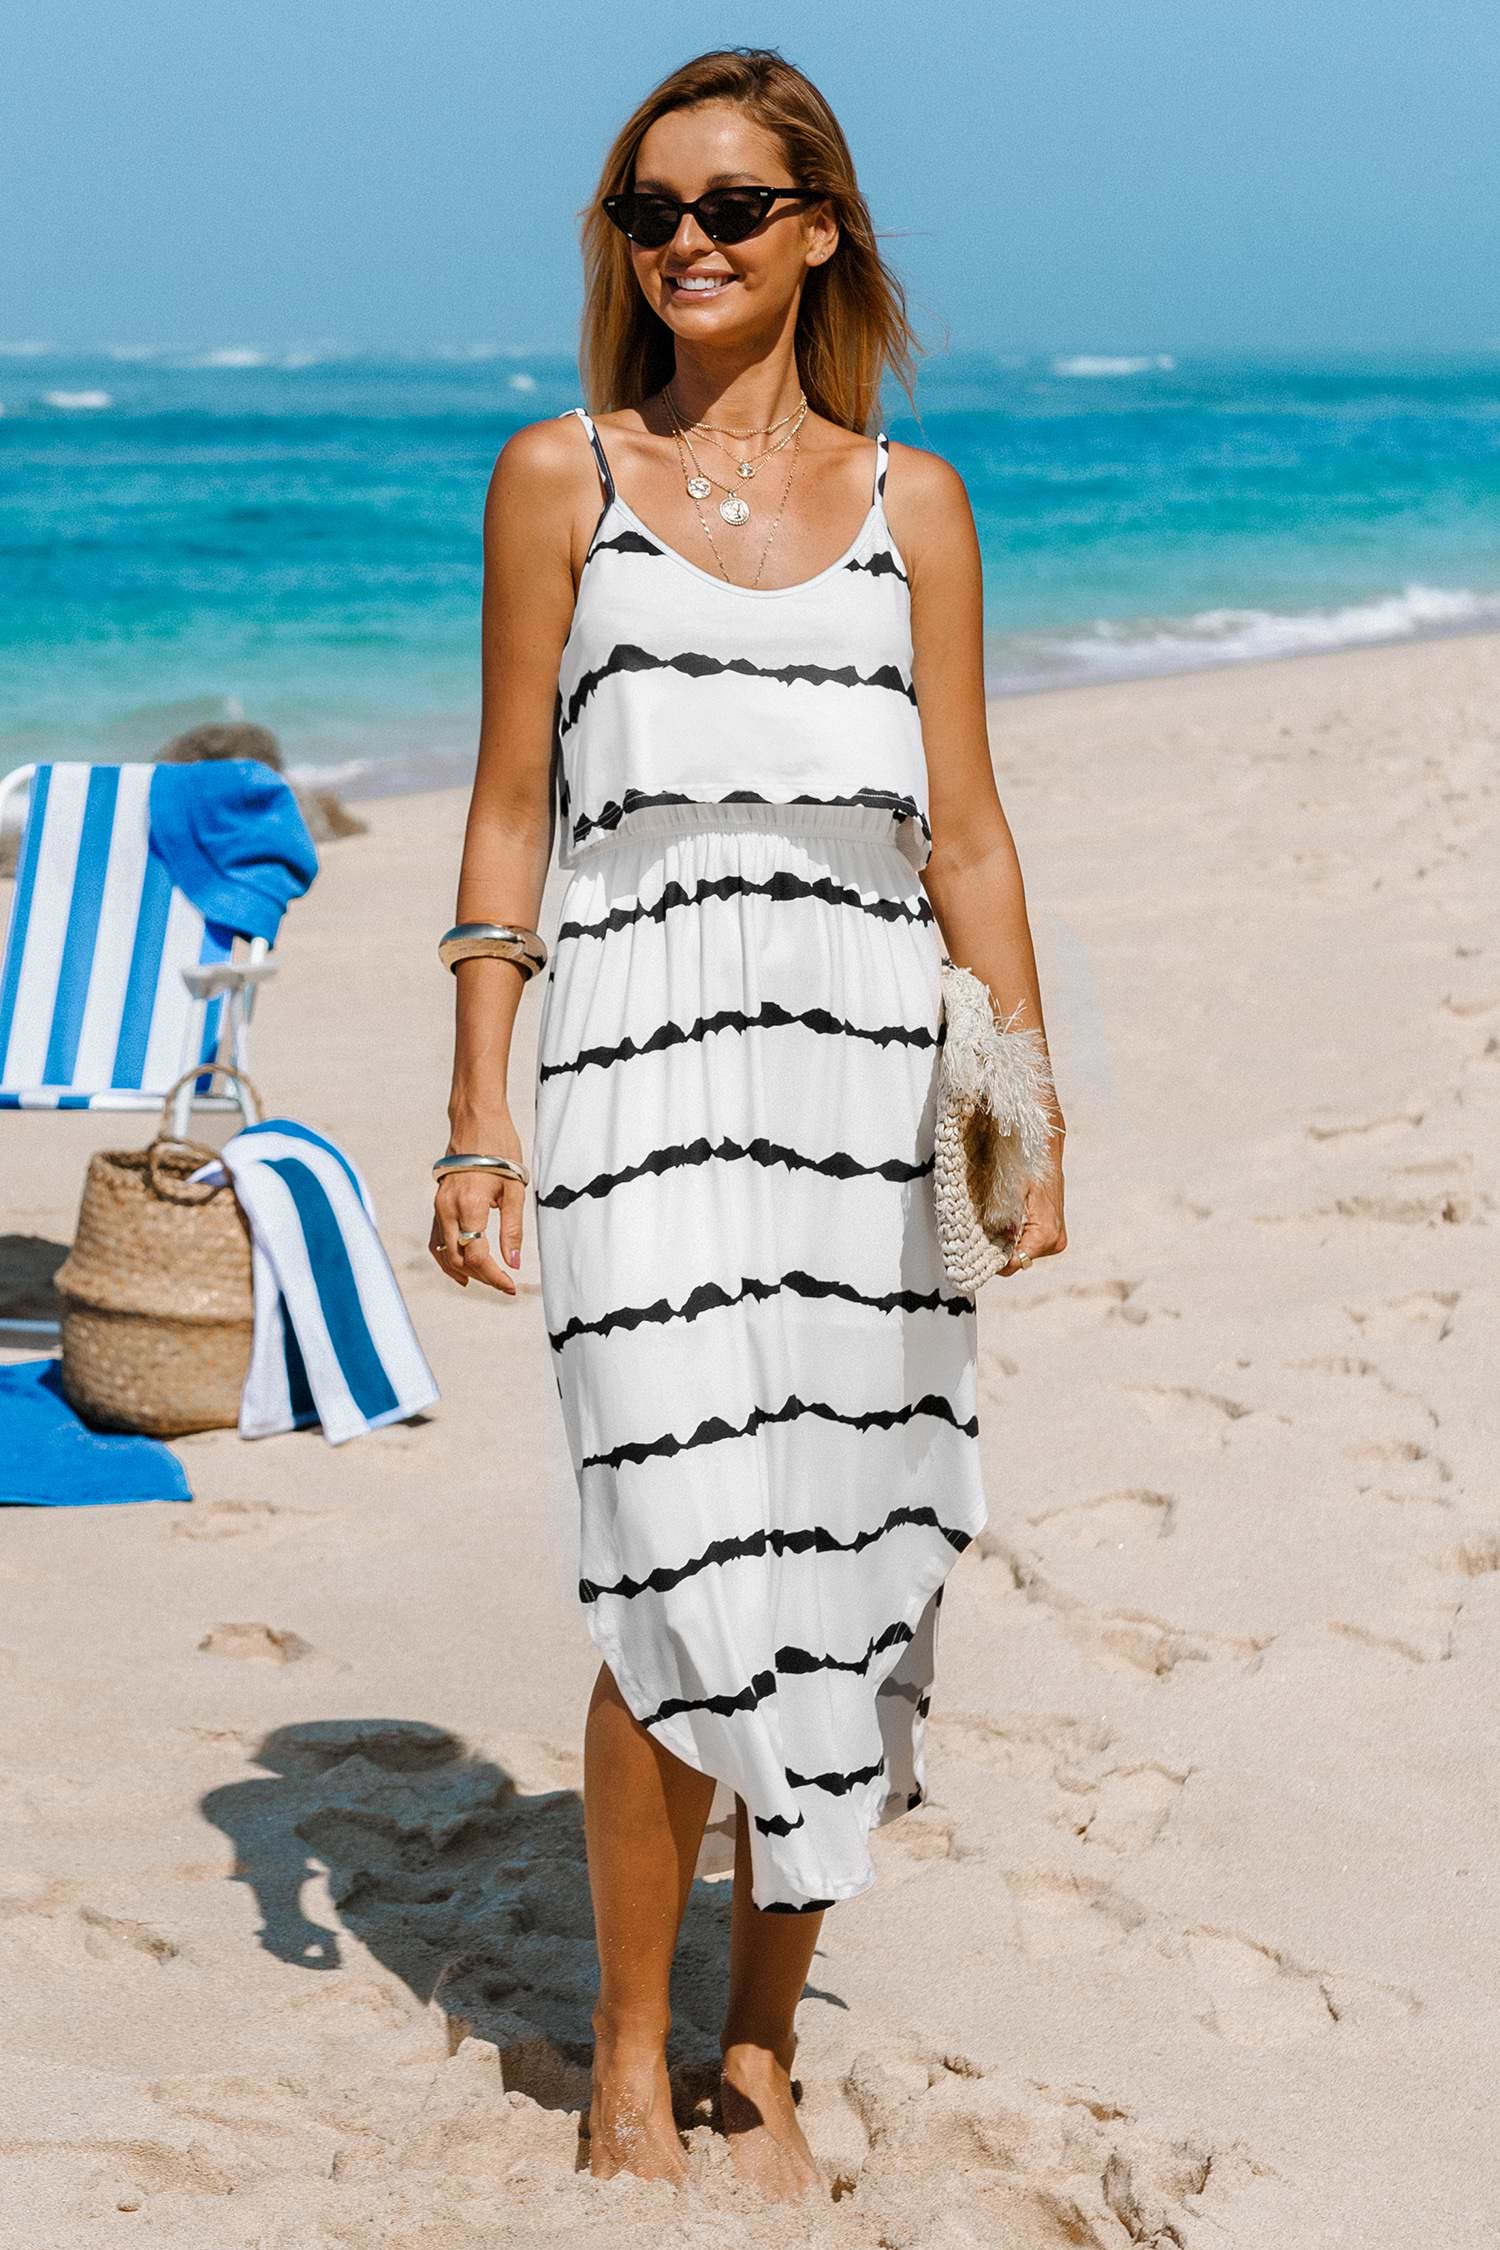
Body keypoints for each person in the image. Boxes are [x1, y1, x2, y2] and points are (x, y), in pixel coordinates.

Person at [430, 45, 1067, 2205]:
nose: (683, 243)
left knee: (843, 1557)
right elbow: (507, 810)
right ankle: (628, 2050)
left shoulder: (918, 506)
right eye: (648, 211)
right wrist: (474, 1117)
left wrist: (1028, 1103)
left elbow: (966, 831)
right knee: (679, 1547)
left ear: (819, 231)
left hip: (862, 1071)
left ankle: (762, 2047)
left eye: (726, 207)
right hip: (633, 1060)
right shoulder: (560, 477)